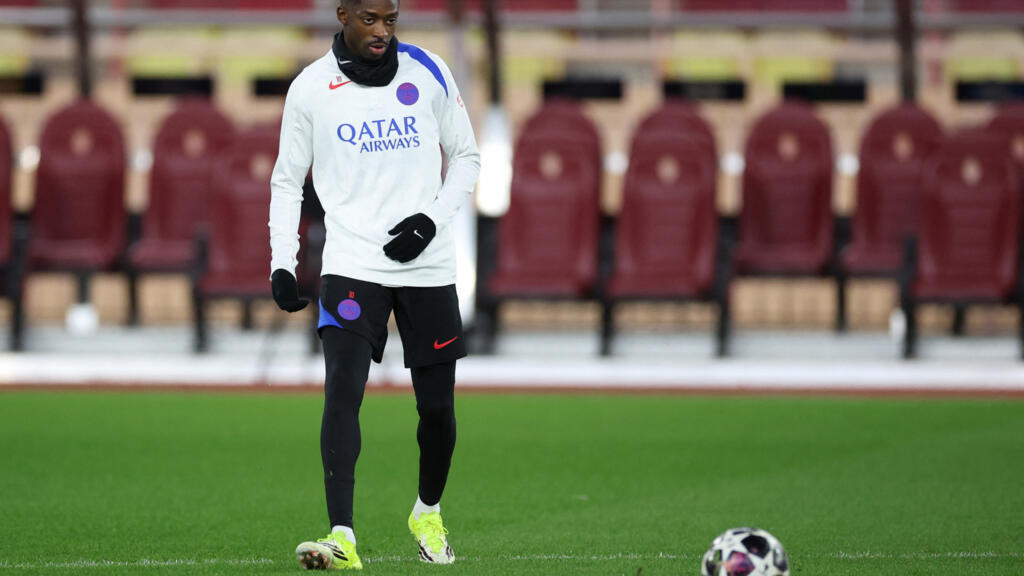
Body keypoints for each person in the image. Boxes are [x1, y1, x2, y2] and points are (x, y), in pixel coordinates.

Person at [268, 0, 479, 570]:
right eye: (369, 19)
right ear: (342, 15)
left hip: (427, 264)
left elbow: (466, 158)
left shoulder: (429, 70)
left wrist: (430, 220)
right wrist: (283, 262)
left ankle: (427, 512)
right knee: (343, 390)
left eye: (391, 19)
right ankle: (342, 536)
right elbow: (287, 181)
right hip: (352, 262)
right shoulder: (310, 88)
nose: (382, 31)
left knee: (437, 409)